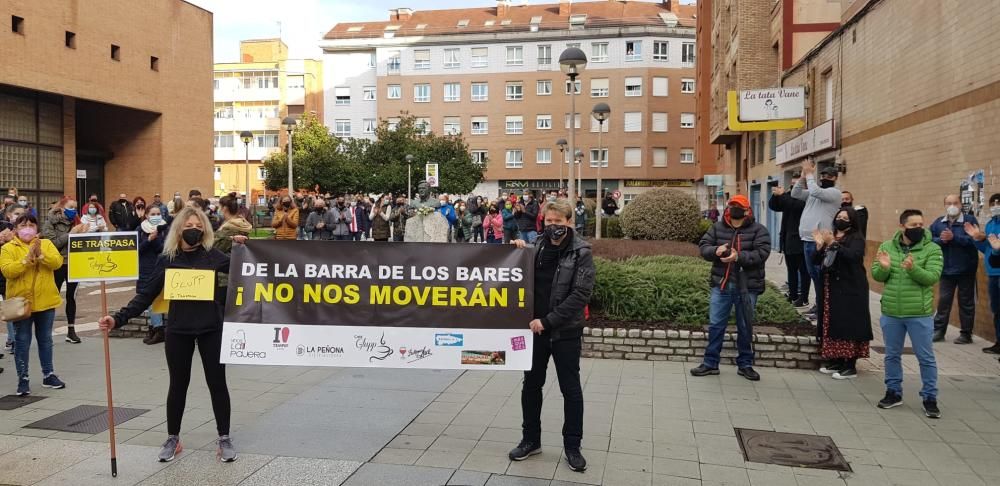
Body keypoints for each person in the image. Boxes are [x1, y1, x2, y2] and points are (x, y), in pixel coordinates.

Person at [99, 207, 242, 462]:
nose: (193, 230)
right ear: (178, 229)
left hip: (211, 329)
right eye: (188, 225)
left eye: (198, 226)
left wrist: (244, 247)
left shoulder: (212, 255)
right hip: (178, 330)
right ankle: (173, 438)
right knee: (178, 385)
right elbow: (146, 294)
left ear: (205, 230)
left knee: (217, 384)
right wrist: (118, 318)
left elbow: (245, 268)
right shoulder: (168, 258)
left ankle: (224, 438)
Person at [508, 198, 594, 473]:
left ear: (569, 222)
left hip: (564, 331)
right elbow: (520, 276)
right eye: (549, 222)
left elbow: (580, 295)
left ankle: (572, 446)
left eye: (558, 222)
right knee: (531, 386)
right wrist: (519, 252)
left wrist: (548, 321)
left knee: (571, 390)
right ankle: (530, 440)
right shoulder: (539, 246)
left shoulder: (582, 252)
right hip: (536, 332)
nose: (553, 226)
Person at [691, 195, 770, 381]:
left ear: (747, 210)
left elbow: (762, 253)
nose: (734, 209)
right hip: (722, 284)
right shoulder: (717, 227)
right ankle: (710, 363)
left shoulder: (759, 230)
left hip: (747, 286)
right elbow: (704, 246)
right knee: (716, 324)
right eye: (732, 205)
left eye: (738, 206)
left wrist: (738, 257)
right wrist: (715, 251)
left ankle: (745, 364)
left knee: (745, 326)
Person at [871, 209, 942, 418]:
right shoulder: (886, 247)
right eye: (914, 225)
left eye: (921, 224)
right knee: (892, 355)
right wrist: (884, 268)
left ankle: (930, 397)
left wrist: (912, 269)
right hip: (892, 311)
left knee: (925, 357)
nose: (919, 228)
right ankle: (893, 392)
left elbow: (932, 277)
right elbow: (877, 275)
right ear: (902, 227)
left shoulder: (932, 249)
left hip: (919, 313)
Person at [1, 214, 66, 396]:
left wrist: (40, 255)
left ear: (37, 229)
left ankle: (49, 374)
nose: (27, 228)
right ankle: (23, 379)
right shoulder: (8, 248)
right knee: (22, 342)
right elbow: (8, 271)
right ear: (15, 229)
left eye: (31, 225)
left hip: (45, 302)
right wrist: (27, 259)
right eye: (23, 225)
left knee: (45, 339)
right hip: (21, 304)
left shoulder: (45, 244)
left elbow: (57, 263)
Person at [813, 208, 872, 379]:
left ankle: (850, 365)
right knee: (834, 323)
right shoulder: (831, 236)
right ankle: (837, 360)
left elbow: (853, 256)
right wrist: (819, 246)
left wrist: (833, 244)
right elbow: (818, 261)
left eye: (845, 218)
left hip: (850, 288)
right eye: (839, 216)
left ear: (852, 221)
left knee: (849, 325)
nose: (841, 219)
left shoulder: (856, 238)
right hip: (831, 287)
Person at [791, 161, 841, 318]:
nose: (824, 178)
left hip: (819, 243)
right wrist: (802, 177)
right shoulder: (814, 193)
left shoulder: (834, 193)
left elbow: (815, 191)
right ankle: (819, 305)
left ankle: (823, 309)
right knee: (814, 275)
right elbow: (795, 194)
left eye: (827, 176)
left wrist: (810, 175)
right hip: (807, 240)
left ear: (834, 178)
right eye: (822, 175)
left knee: (820, 276)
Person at [929, 195, 978, 344]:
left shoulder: (970, 220)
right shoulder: (939, 222)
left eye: (955, 203)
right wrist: (941, 240)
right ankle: (939, 331)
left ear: (960, 204)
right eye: (949, 203)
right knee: (944, 301)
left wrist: (954, 238)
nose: (952, 205)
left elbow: (975, 240)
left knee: (966, 302)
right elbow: (928, 240)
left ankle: (966, 334)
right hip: (946, 270)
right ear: (944, 205)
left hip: (966, 269)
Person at [41, 197, 83, 344]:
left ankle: (71, 330)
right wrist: (71, 234)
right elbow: (52, 244)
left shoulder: (77, 222)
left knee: (71, 297)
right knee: (53, 296)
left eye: (76, 207)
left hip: (74, 263)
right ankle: (46, 331)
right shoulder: (50, 222)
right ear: (62, 208)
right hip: (58, 263)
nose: (74, 210)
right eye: (71, 207)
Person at [966, 194, 1000, 354]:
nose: (995, 206)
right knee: (996, 309)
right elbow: (987, 250)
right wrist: (976, 239)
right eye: (992, 203)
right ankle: (998, 342)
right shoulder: (991, 224)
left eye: (998, 203)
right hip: (992, 272)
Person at [769, 175, 810, 307]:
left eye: (796, 185)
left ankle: (804, 297)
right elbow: (774, 206)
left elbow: (794, 205)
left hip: (801, 240)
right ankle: (793, 295)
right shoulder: (788, 197)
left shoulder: (807, 198)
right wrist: (776, 196)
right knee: (791, 270)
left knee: (803, 271)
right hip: (788, 240)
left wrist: (783, 195)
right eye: (791, 185)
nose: (792, 188)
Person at [138, 205, 169, 344]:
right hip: (144, 268)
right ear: (147, 215)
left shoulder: (165, 229)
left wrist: (155, 238)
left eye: (158, 213)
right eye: (153, 213)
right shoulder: (140, 229)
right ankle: (153, 328)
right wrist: (148, 240)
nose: (156, 216)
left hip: (159, 268)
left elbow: (163, 249)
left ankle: (159, 329)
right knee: (147, 300)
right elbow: (137, 249)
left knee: (155, 300)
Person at [1, 204, 26, 352]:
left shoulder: (23, 231)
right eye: (16, 213)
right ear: (8, 214)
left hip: (9, 275)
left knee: (11, 309)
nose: (19, 216)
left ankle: (13, 340)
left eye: (22, 213)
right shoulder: (4, 227)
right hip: (2, 270)